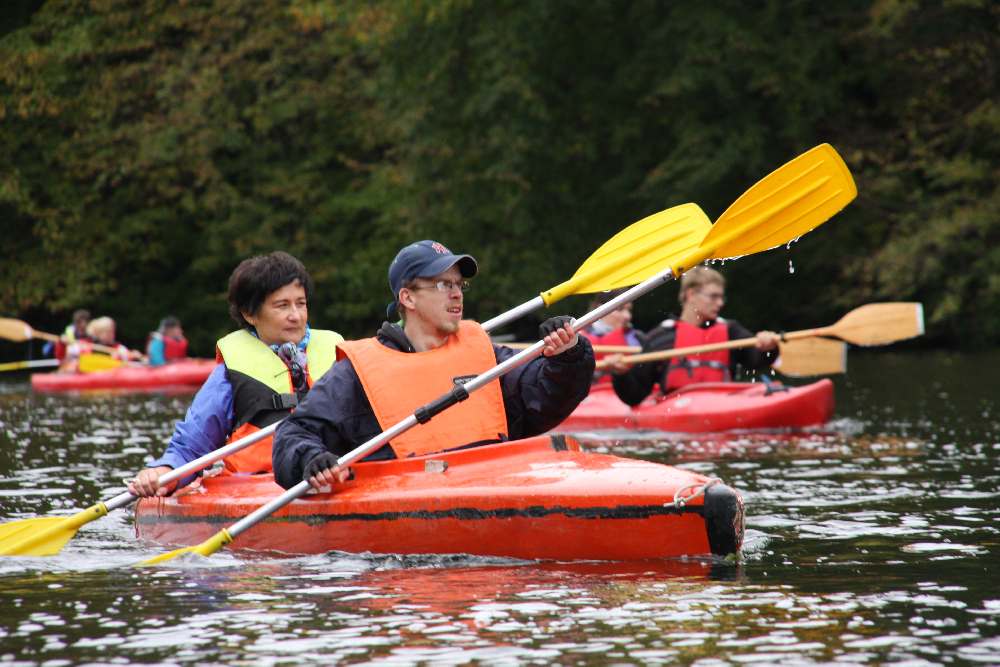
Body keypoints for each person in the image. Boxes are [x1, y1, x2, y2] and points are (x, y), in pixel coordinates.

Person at [271, 240, 596, 491]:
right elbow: (295, 433)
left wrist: (568, 354)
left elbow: (546, 394)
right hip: (405, 512)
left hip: (492, 487)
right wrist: (311, 458)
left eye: (459, 285)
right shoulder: (355, 374)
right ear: (408, 298)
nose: (457, 294)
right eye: (443, 285)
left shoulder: (486, 354)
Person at [128, 251, 344, 497]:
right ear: (250, 313)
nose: (295, 315)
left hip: (338, 475)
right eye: (282, 306)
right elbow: (191, 448)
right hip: (258, 488)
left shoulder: (339, 356)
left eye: (301, 303)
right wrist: (164, 473)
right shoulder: (229, 375)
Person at [610, 266, 780, 406]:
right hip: (677, 416)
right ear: (691, 295)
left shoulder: (731, 331)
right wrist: (621, 375)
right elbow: (635, 395)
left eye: (721, 297)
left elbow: (757, 360)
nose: (720, 303)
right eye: (713, 296)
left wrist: (768, 347)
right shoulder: (662, 338)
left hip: (723, 406)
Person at [581, 288, 645, 385]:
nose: (627, 316)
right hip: (593, 392)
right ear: (601, 309)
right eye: (620, 309)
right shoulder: (579, 340)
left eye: (629, 310)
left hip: (628, 391)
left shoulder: (639, 338)